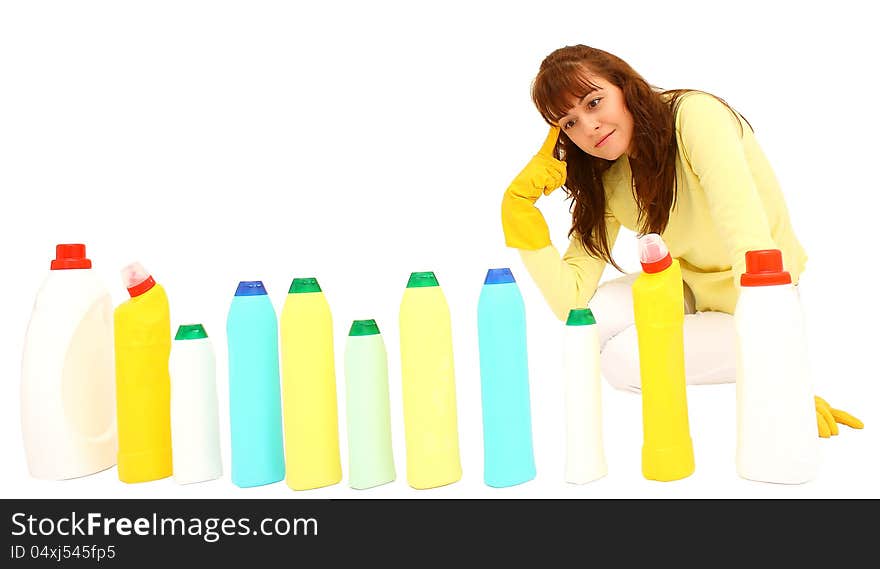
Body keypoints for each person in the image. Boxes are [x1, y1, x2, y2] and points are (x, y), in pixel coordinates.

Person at [500, 44, 862, 437]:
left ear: (624, 85)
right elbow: (571, 302)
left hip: (757, 296)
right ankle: (748, 358)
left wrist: (781, 373)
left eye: (593, 102)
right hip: (686, 286)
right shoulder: (608, 174)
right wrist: (518, 209)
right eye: (568, 123)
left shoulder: (695, 116)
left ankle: (769, 362)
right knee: (594, 322)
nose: (587, 128)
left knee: (624, 361)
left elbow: (748, 236)